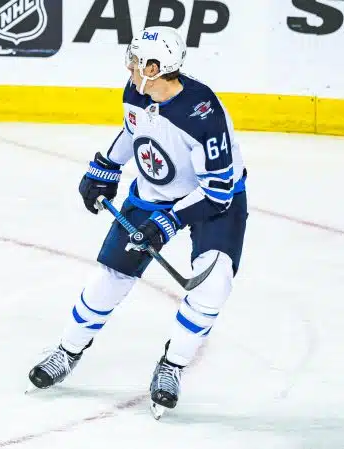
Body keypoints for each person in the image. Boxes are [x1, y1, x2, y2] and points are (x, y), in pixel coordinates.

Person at [26, 26, 248, 419]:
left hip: (213, 201)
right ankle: (67, 351)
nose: (129, 66)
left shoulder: (204, 114)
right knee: (110, 276)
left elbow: (217, 192)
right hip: (156, 192)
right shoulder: (136, 91)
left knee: (214, 284)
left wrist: (168, 223)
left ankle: (172, 366)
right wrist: (107, 167)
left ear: (156, 67)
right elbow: (134, 130)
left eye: (136, 60)